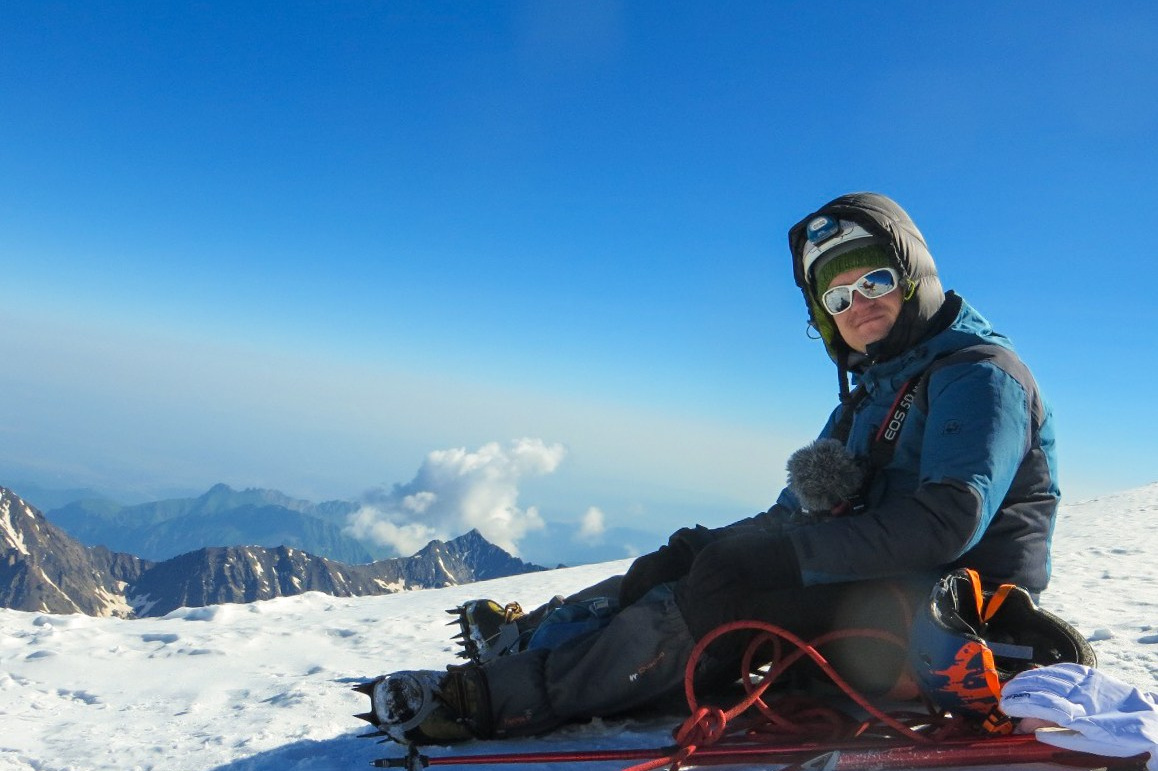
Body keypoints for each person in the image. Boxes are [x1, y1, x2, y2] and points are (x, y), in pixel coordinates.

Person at [359, 192, 1064, 745]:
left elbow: (945, 521)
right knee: (686, 563)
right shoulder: (876, 390)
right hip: (879, 584)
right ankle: (542, 636)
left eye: (875, 278)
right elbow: (794, 516)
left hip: (948, 618)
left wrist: (772, 560)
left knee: (717, 597)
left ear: (914, 278)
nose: (859, 304)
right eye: (837, 296)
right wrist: (717, 544)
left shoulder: (980, 375)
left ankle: (490, 701)